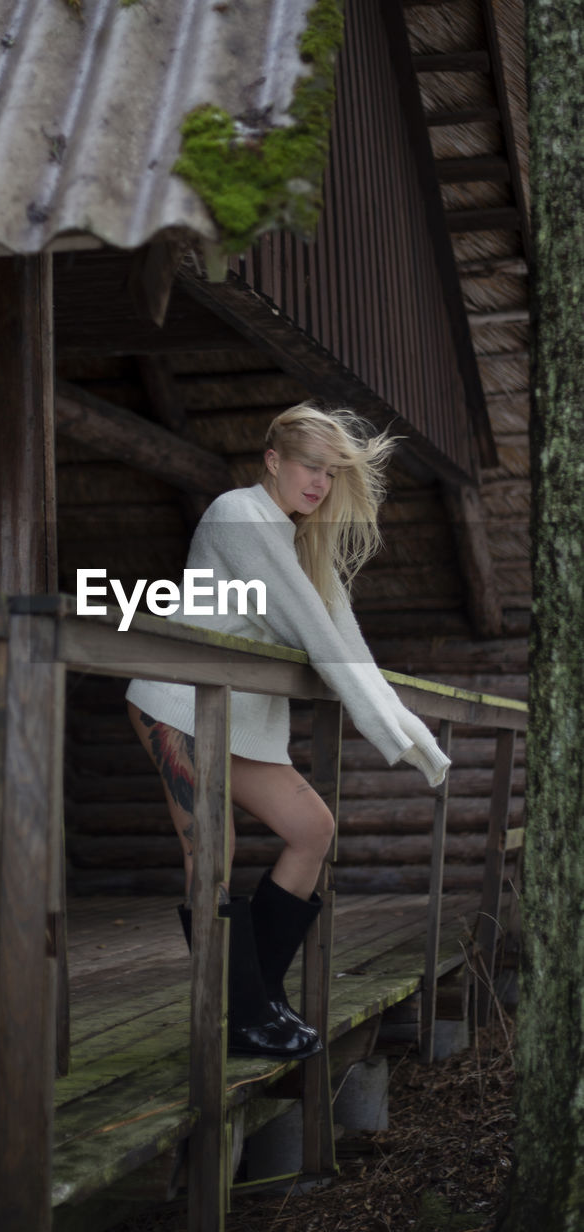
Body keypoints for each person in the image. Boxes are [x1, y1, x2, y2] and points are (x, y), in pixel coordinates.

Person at [126, 403, 451, 1061]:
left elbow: (338, 633)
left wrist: (398, 719)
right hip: (179, 706)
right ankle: (246, 1014)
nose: (318, 484)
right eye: (309, 467)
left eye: (329, 474)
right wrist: (384, 724)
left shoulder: (297, 537)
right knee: (211, 849)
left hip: (237, 718)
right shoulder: (237, 515)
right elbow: (307, 627)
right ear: (271, 461)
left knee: (312, 829)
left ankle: (256, 1002)